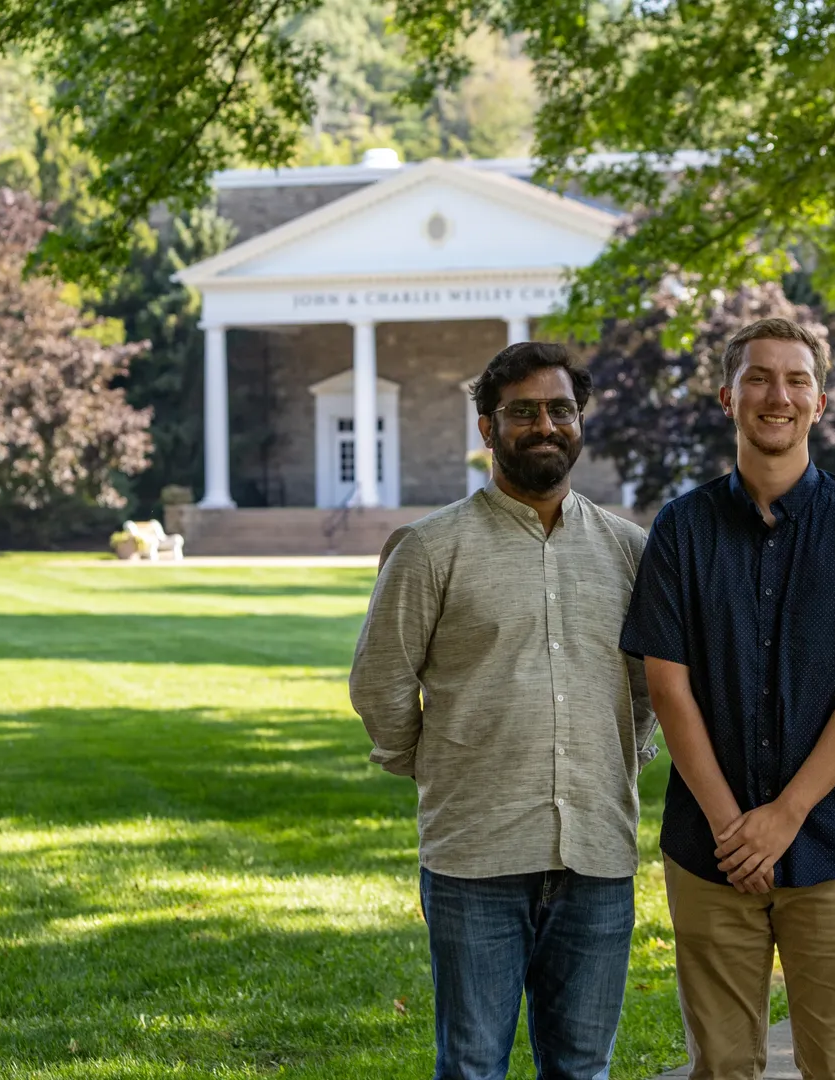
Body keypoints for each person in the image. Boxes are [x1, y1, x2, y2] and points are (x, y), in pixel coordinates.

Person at [619, 318, 835, 1080]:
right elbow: (669, 687)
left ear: (820, 403)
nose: (778, 395)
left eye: (796, 380)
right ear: (728, 397)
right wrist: (736, 829)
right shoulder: (680, 528)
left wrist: (783, 819)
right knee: (721, 1066)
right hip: (709, 853)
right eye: (759, 377)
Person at [350, 341, 657, 1080]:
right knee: (472, 1067)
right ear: (487, 428)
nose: (544, 425)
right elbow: (382, 680)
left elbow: (650, 686)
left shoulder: (630, 551)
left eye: (560, 410)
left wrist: (627, 754)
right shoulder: (431, 548)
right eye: (522, 412)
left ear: (580, 421)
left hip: (597, 855)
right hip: (474, 858)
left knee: (583, 1068)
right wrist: (431, 764)